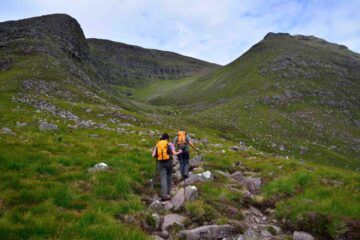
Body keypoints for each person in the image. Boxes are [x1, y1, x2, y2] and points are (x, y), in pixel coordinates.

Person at [152, 133, 182, 201]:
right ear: (167, 138)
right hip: (169, 163)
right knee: (169, 176)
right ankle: (168, 193)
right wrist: (179, 152)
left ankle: (164, 195)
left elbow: (153, 155)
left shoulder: (157, 144)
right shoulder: (169, 144)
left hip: (160, 164)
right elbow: (174, 153)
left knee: (163, 178)